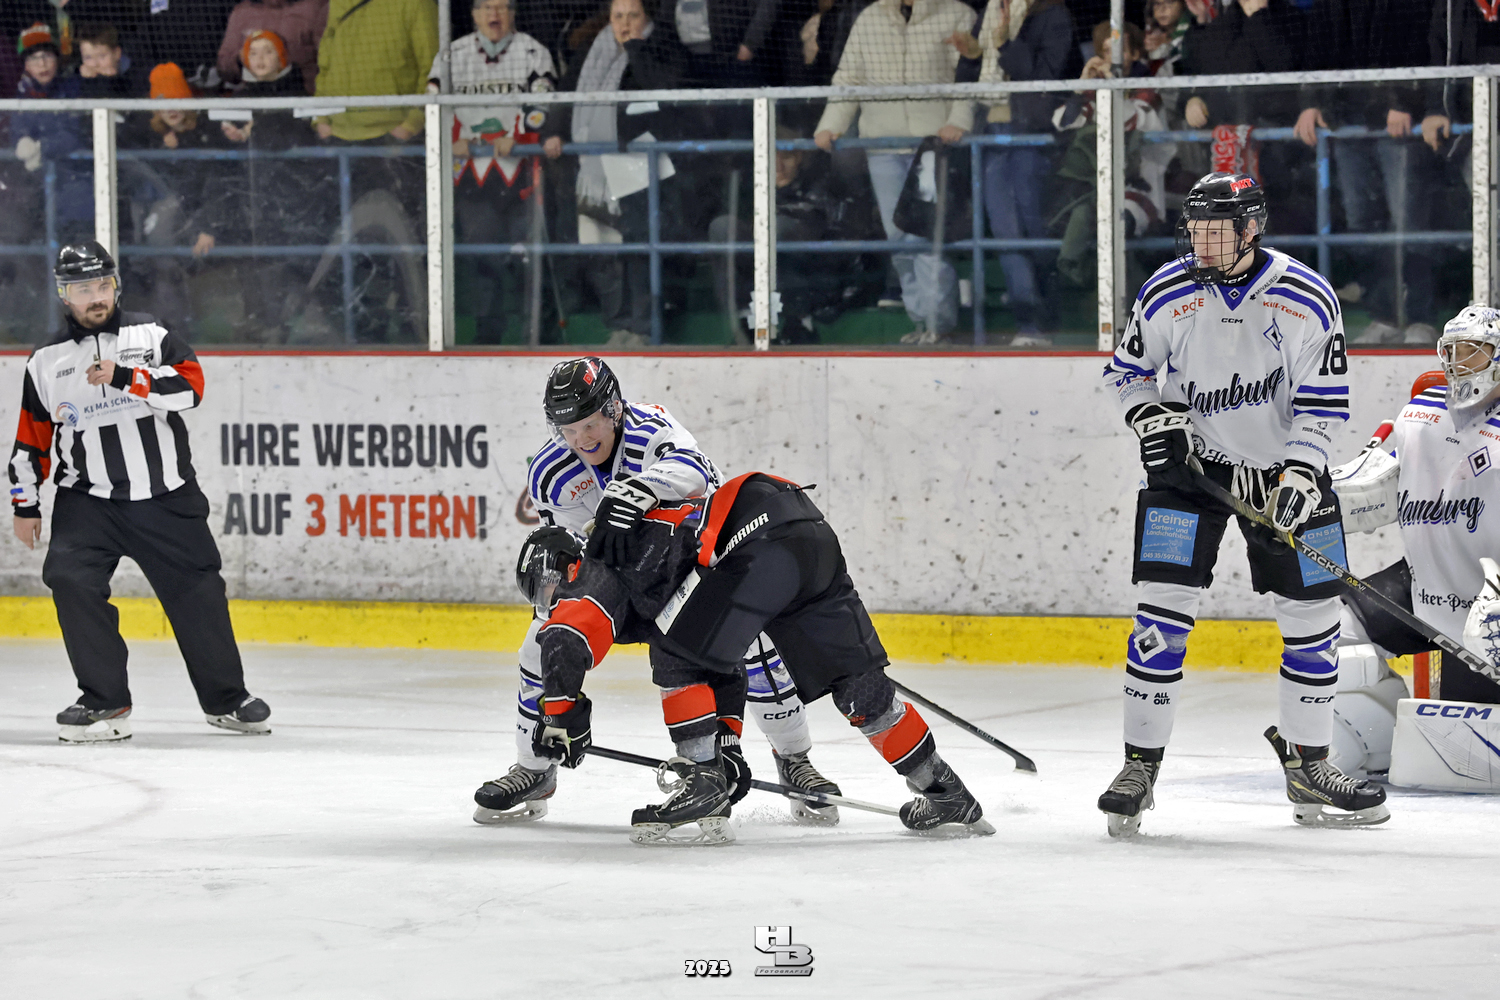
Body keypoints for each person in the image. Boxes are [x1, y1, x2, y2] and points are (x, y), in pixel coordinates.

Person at [1096, 172, 1389, 835]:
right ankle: (1139, 767)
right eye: (1195, 228)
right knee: (1160, 615)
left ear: (1251, 229)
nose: (1200, 241)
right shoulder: (1168, 290)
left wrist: (1302, 473)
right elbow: (1127, 372)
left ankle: (1310, 762)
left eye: (1216, 230)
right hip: (1191, 473)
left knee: (1314, 622)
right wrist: (1151, 419)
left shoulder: (1306, 296)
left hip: (1287, 472)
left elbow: (1322, 401)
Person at [515, 472, 994, 844]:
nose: (547, 604)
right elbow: (724, 661)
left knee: (673, 647)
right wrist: (727, 744)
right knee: (860, 687)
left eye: (542, 590)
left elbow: (563, 640)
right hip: (804, 528)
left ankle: (700, 783)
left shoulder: (592, 567)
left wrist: (558, 716)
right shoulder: (646, 563)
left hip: (752, 536)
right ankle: (944, 791)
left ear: (563, 567)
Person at [473, 357, 841, 825]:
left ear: (613, 410)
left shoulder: (650, 429)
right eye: (569, 430)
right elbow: (570, 558)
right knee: (539, 647)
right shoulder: (550, 473)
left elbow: (695, 473)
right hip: (617, 582)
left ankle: (794, 760)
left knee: (754, 643)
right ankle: (535, 766)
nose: (581, 439)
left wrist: (634, 494)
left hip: (691, 567)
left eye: (590, 424)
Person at [7, 243, 270, 743]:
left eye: (102, 285)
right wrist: (25, 503)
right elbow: (31, 439)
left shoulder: (151, 334)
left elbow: (191, 388)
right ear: (64, 296)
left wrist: (127, 377)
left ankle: (227, 700)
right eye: (82, 289)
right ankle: (104, 701)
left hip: (165, 495)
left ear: (116, 286)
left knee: (199, 592)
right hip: (87, 501)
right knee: (70, 579)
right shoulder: (45, 361)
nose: (95, 296)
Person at [814, 0, 976, 345]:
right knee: (898, 237)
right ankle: (920, 322)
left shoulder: (957, 14)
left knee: (925, 236)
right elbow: (850, 77)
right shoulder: (870, 18)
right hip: (883, 145)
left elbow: (969, 76)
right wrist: (831, 124)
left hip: (933, 145)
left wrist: (958, 121)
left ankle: (939, 324)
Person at [540, 0, 695, 347]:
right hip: (593, 167)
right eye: (618, 16)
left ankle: (642, 327)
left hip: (640, 162)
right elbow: (566, 94)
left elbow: (661, 87)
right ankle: (618, 324)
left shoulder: (663, 46)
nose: (625, 23)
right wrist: (553, 132)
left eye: (633, 16)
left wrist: (636, 48)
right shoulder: (591, 50)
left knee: (639, 244)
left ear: (647, 17)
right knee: (599, 244)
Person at [1294, 0, 1441, 345]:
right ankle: (1383, 316)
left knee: (1410, 222)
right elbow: (1318, 39)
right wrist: (1311, 101)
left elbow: (1418, 31)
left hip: (1396, 121)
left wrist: (1401, 98)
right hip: (1345, 120)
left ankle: (1421, 317)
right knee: (1363, 222)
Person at [428, 0, 557, 345]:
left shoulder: (533, 52)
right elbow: (433, 106)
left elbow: (543, 105)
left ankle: (539, 332)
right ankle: (488, 333)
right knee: (482, 256)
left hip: (522, 174)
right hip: (472, 178)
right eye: (486, 7)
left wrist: (521, 137)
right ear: (473, 14)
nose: (494, 14)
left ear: (514, 12)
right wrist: (450, 139)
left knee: (529, 257)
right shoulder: (452, 56)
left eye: (501, 7)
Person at [950, 0, 1074, 347]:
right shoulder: (989, 11)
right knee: (1006, 232)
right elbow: (966, 82)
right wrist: (972, 57)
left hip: (1031, 136)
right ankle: (1028, 322)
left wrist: (1006, 45)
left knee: (1032, 228)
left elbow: (1043, 79)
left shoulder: (1053, 14)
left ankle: (1046, 314)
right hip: (989, 133)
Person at [11, 23, 93, 244]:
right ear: (25, 64)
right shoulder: (23, 94)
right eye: (34, 58)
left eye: (47, 56)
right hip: (40, 187)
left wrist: (42, 148)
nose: (42, 64)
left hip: (78, 183)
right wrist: (20, 139)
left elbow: (76, 131)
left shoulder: (74, 87)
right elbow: (18, 127)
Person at [218, 0, 329, 95]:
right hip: (254, 95)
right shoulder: (243, 11)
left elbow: (329, 59)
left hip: (302, 97)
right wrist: (242, 60)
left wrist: (285, 61)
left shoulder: (316, 7)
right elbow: (224, 66)